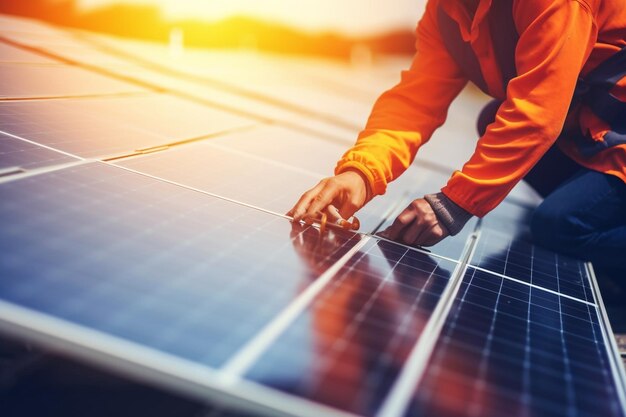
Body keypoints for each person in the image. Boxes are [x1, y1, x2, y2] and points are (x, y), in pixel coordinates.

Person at [288, 0, 626, 278]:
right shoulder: (447, 13)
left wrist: (454, 204)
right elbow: (416, 101)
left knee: (562, 225)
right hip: (600, 137)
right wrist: (360, 173)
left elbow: (537, 112)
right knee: (491, 120)